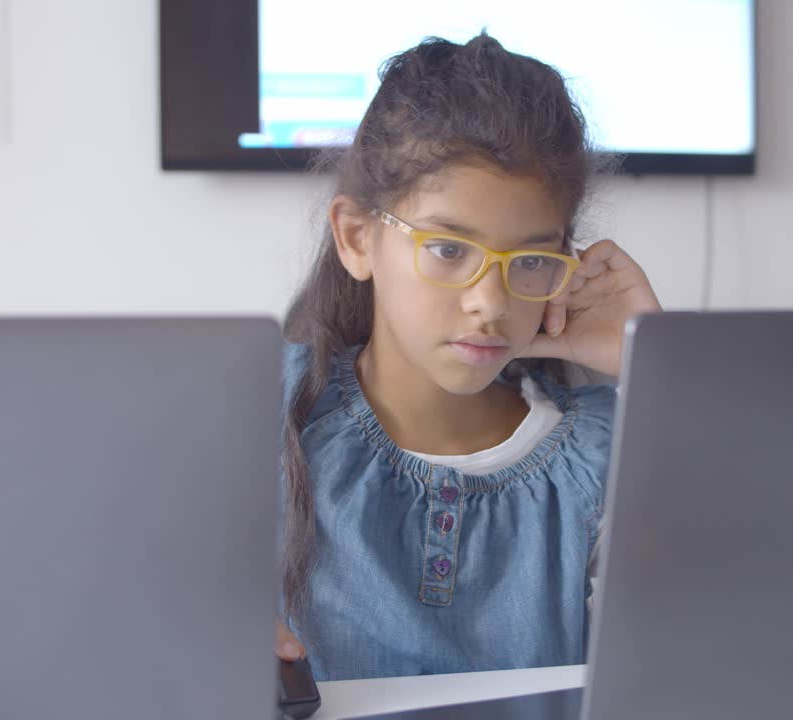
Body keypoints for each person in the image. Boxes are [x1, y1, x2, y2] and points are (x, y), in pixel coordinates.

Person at [274, 32, 662, 681]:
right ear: (357, 238)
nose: (490, 302)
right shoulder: (264, 411)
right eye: (449, 250)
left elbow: (765, 588)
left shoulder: (610, 447)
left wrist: (650, 357)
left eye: (531, 260)